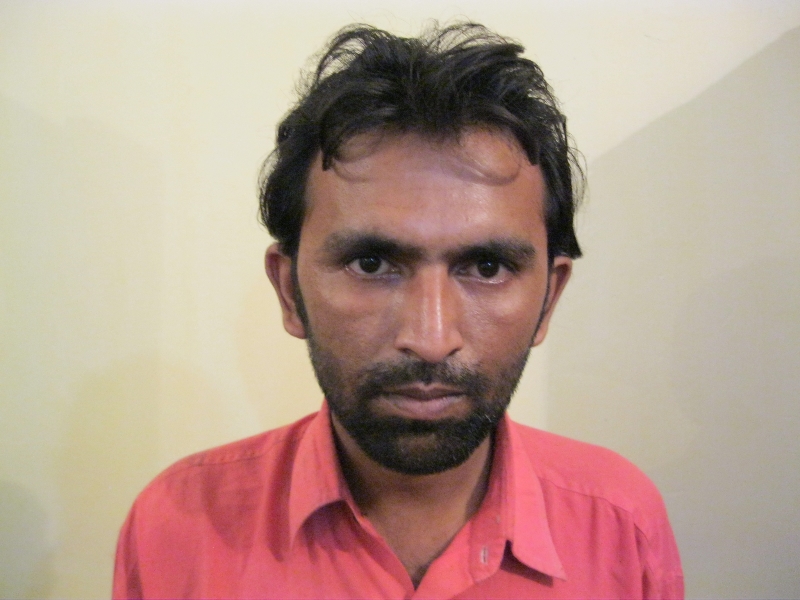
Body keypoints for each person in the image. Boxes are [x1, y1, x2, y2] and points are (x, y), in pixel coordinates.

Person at [113, 22, 683, 599]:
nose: (431, 338)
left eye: (487, 267)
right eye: (371, 264)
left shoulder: (622, 529)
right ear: (289, 291)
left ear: (548, 300)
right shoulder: (176, 530)